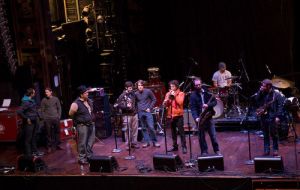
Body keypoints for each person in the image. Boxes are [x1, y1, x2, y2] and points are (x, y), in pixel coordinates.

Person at [253, 79, 285, 156]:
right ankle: (266, 149)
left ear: (269, 86)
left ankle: (275, 149)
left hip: (272, 116)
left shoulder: (276, 94)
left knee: (274, 134)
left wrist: (278, 116)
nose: (262, 87)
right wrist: (260, 92)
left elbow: (280, 106)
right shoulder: (262, 92)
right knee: (265, 134)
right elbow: (256, 100)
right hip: (263, 116)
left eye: (263, 86)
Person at [190, 78, 221, 156]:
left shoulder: (207, 92)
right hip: (200, 118)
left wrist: (208, 105)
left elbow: (215, 102)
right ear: (194, 86)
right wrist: (196, 118)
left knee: (213, 135)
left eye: (199, 84)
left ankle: (216, 150)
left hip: (209, 115)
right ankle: (204, 151)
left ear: (201, 84)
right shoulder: (193, 95)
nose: (198, 86)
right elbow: (193, 108)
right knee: (201, 137)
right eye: (196, 85)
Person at [69, 85, 95, 165]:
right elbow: (70, 114)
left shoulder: (88, 101)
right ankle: (82, 158)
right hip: (82, 125)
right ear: (81, 94)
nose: (87, 94)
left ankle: (89, 156)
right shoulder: (75, 104)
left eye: (87, 92)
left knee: (91, 141)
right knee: (82, 143)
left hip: (91, 124)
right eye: (86, 93)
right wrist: (78, 120)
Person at [17, 88, 44, 157]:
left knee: (34, 137)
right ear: (31, 94)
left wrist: (40, 116)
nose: (35, 94)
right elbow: (19, 111)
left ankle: (35, 151)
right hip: (29, 123)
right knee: (28, 139)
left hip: (35, 120)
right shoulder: (25, 102)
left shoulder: (32, 100)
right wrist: (26, 118)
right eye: (34, 93)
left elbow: (34, 110)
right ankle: (29, 154)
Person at [163, 80, 187, 154]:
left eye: (173, 86)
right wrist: (166, 101)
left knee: (181, 132)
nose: (171, 88)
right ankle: (175, 146)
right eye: (170, 86)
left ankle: (184, 147)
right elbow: (165, 105)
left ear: (176, 86)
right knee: (173, 132)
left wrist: (174, 96)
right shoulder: (168, 93)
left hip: (179, 116)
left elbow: (180, 102)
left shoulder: (181, 93)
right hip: (170, 116)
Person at [135, 80, 160, 148]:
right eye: (138, 85)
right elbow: (135, 102)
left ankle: (155, 141)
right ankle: (146, 142)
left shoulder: (148, 91)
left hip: (147, 112)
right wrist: (137, 110)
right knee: (143, 128)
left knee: (151, 127)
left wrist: (150, 108)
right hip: (140, 112)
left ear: (143, 85)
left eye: (141, 85)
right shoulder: (136, 93)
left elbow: (154, 99)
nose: (140, 87)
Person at [114, 81, 139, 150]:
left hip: (134, 114)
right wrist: (126, 106)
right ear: (126, 88)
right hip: (126, 115)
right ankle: (128, 144)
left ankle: (134, 143)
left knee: (135, 129)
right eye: (130, 88)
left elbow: (137, 102)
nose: (131, 89)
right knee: (127, 130)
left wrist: (136, 110)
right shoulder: (122, 95)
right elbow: (118, 105)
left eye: (132, 88)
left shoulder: (133, 94)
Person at [40, 87, 62, 154]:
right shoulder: (43, 100)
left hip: (56, 118)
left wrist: (59, 116)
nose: (46, 93)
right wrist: (44, 118)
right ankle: (49, 147)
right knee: (48, 133)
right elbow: (42, 110)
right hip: (48, 119)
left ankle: (57, 145)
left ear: (51, 92)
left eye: (47, 92)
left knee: (57, 132)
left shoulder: (56, 99)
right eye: (45, 92)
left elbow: (59, 108)